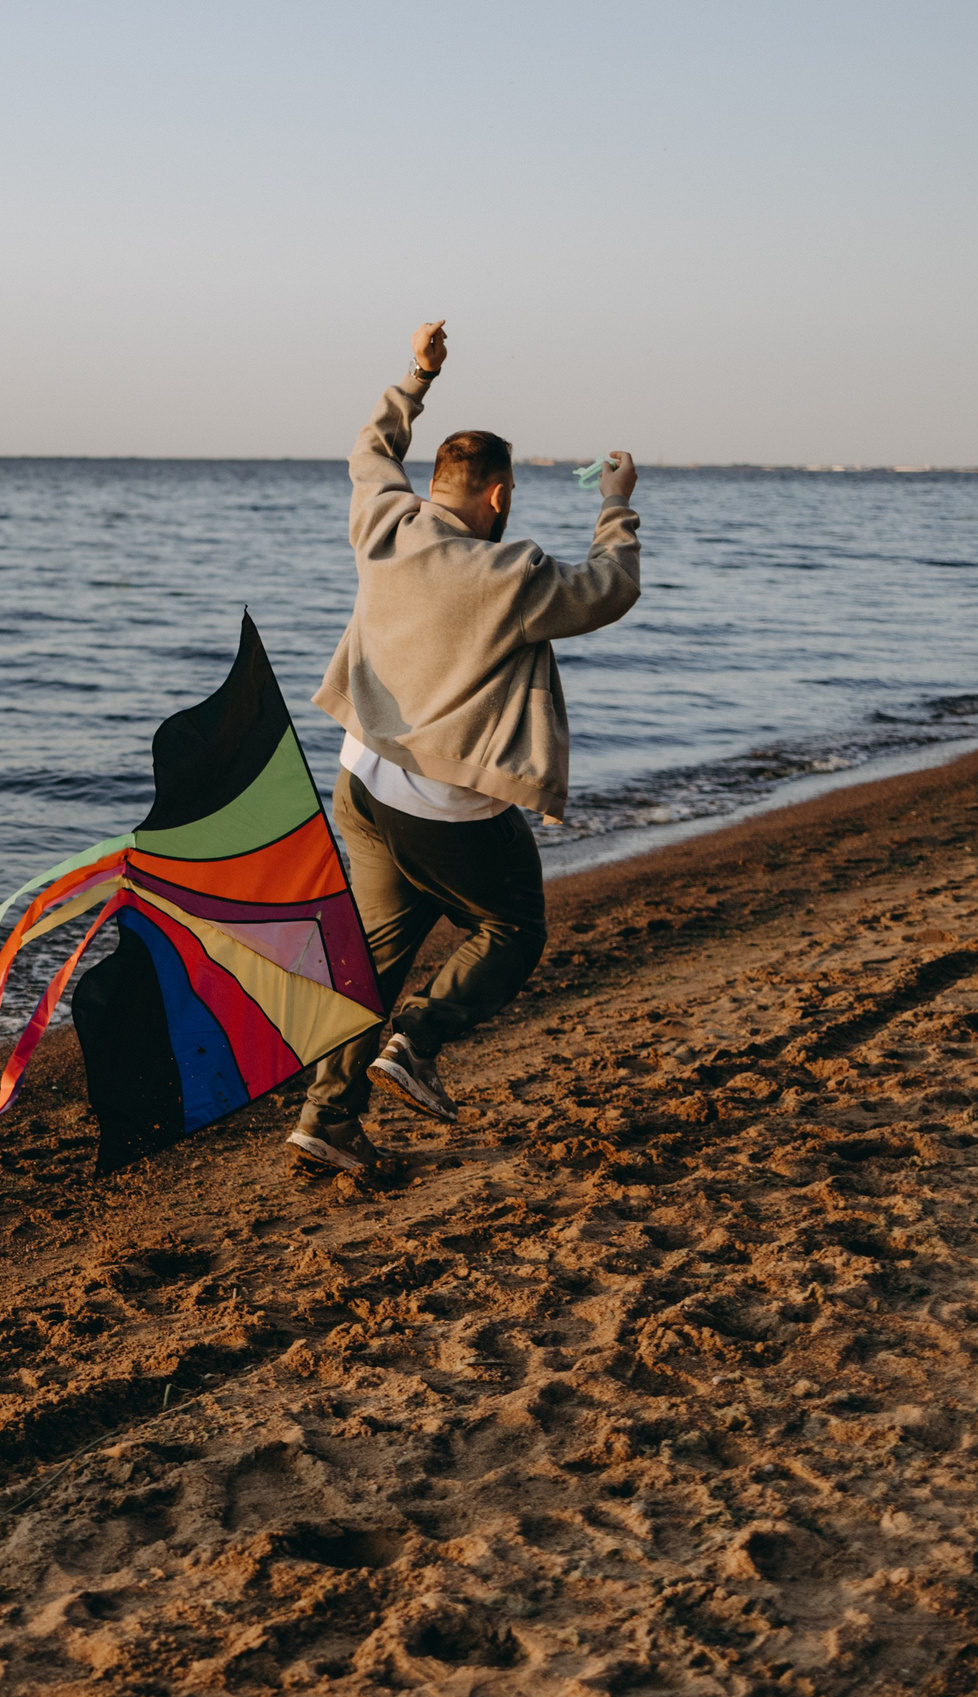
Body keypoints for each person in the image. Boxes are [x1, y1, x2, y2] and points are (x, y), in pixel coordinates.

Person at [286, 320, 642, 1177]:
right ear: (498, 494)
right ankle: (417, 1039)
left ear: (437, 482)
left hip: (361, 782)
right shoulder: (510, 573)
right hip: (443, 805)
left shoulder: (383, 521)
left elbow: (372, 448)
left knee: (378, 958)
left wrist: (418, 374)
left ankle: (328, 1120)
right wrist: (616, 503)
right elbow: (610, 588)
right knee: (514, 927)